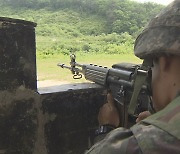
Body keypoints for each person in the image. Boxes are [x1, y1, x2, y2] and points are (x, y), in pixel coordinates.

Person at [85, 0, 180, 153]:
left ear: (163, 61)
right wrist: (160, 120)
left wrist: (106, 129)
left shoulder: (140, 145)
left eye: (151, 67)